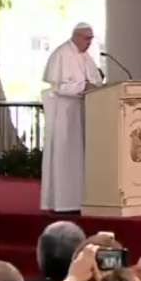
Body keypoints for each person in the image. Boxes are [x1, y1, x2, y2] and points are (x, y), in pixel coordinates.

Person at [40, 23, 103, 213]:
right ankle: (62, 202)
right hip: (64, 115)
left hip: (82, 113)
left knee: (79, 159)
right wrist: (84, 87)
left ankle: (80, 200)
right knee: (64, 157)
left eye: (91, 39)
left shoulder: (86, 57)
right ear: (76, 36)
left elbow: (96, 82)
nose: (89, 42)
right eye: (86, 38)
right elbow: (59, 86)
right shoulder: (61, 54)